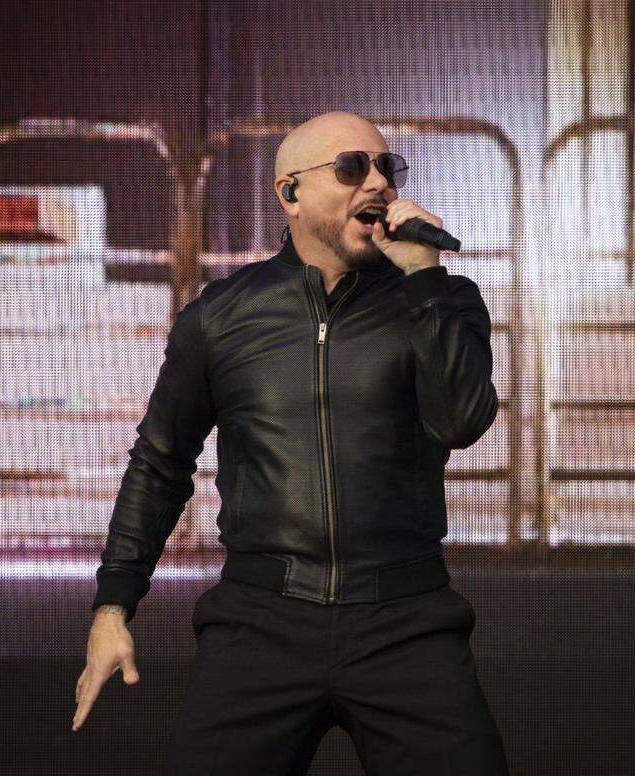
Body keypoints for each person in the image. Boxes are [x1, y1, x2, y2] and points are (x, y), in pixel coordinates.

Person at [73, 110, 509, 775]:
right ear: (290, 194)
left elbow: (463, 422)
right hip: (261, 621)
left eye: (387, 168)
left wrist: (425, 280)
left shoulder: (444, 302)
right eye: (350, 168)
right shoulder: (221, 317)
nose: (377, 186)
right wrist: (114, 605)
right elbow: (160, 462)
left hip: (405, 619)